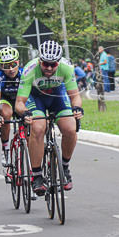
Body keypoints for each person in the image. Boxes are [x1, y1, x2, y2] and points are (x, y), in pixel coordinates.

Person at [14, 40, 84, 193]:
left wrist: (77, 108)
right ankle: (37, 175)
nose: (50, 68)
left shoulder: (66, 67)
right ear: (39, 61)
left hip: (57, 96)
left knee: (70, 129)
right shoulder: (29, 70)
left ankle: (64, 167)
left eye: (54, 64)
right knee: (38, 128)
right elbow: (19, 102)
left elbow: (75, 96)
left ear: (59, 62)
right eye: (46, 64)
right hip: (35, 98)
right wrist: (25, 112)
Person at [0, 47, 22, 167]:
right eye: (7, 66)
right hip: (5, 99)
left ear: (18, 62)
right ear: (1, 67)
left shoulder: (24, 74)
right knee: (6, 114)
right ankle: (5, 148)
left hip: (20, 100)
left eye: (14, 64)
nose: (11, 69)